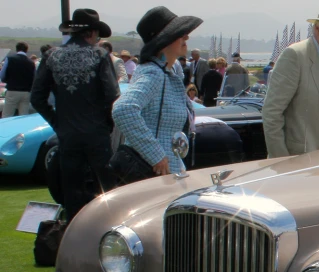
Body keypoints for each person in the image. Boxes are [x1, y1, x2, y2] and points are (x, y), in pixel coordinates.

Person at [30, 9, 119, 221]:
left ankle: (73, 236)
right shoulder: (100, 55)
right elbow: (112, 96)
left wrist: (57, 122)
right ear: (92, 33)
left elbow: (37, 98)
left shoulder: (51, 56)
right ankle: (108, 230)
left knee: (71, 191)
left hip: (67, 134)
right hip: (97, 133)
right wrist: (107, 124)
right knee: (107, 190)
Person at [112, 6, 202, 177]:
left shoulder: (169, 71)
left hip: (167, 170)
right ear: (163, 42)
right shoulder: (154, 73)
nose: (186, 37)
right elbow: (123, 109)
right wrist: (156, 155)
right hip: (153, 172)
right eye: (180, 33)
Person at [262, 0, 319, 157]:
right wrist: (282, 163)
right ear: (317, 28)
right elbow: (272, 113)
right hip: (299, 160)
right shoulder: (295, 56)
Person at [1, 42, 35, 118]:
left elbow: (2, 75)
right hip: (26, 92)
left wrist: (6, 80)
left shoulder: (10, 59)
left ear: (16, 49)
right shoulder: (31, 62)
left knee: (7, 115)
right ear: (26, 50)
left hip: (12, 90)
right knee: (23, 116)